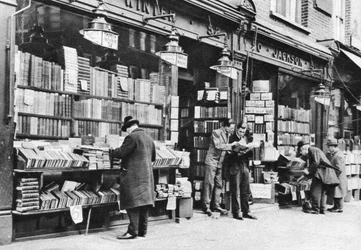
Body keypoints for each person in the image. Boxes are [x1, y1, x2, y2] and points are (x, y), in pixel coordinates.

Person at [113, 116, 156, 239]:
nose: (126, 132)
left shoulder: (131, 137)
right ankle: (142, 230)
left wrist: (112, 151)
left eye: (126, 129)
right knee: (144, 203)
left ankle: (132, 232)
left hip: (133, 176)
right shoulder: (149, 138)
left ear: (129, 127)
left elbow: (121, 153)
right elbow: (153, 158)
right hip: (147, 176)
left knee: (132, 203)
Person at [202, 118, 237, 216]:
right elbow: (218, 146)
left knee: (219, 185)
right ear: (225, 126)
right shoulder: (216, 132)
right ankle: (206, 207)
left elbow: (225, 148)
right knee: (209, 184)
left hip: (219, 163)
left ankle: (216, 205)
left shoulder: (228, 134)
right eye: (231, 128)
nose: (232, 130)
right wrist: (231, 146)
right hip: (212, 162)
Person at [298, 141, 340, 215]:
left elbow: (316, 163)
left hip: (320, 174)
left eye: (302, 152)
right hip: (324, 173)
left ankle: (315, 209)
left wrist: (308, 171)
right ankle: (322, 209)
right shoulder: (315, 150)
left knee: (315, 191)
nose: (302, 154)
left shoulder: (311, 150)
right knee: (322, 192)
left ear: (304, 149)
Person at [228, 122, 257, 220]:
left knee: (246, 190)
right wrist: (237, 153)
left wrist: (248, 150)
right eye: (240, 131)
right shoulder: (231, 138)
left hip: (244, 165)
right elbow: (229, 154)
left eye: (243, 132)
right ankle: (236, 212)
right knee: (236, 190)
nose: (241, 134)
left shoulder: (246, 138)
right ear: (237, 129)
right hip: (235, 165)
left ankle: (246, 211)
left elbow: (250, 155)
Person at [326, 138, 348, 213]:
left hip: (338, 177)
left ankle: (340, 208)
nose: (328, 148)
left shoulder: (338, 155)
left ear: (332, 146)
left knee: (338, 192)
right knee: (336, 192)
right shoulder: (336, 153)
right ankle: (336, 207)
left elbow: (339, 168)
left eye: (329, 147)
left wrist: (333, 176)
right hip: (337, 177)